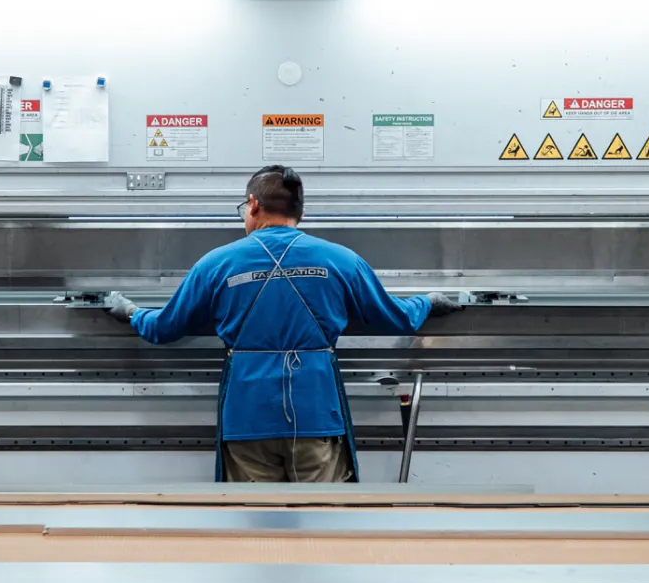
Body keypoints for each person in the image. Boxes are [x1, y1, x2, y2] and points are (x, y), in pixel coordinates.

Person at [103, 165, 459, 483]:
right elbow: (394, 318)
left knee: (256, 526)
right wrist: (426, 302)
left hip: (247, 418)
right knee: (324, 523)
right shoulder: (341, 261)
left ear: (253, 204)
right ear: (301, 213)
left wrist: (132, 312)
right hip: (316, 415)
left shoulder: (216, 264)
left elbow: (165, 327)